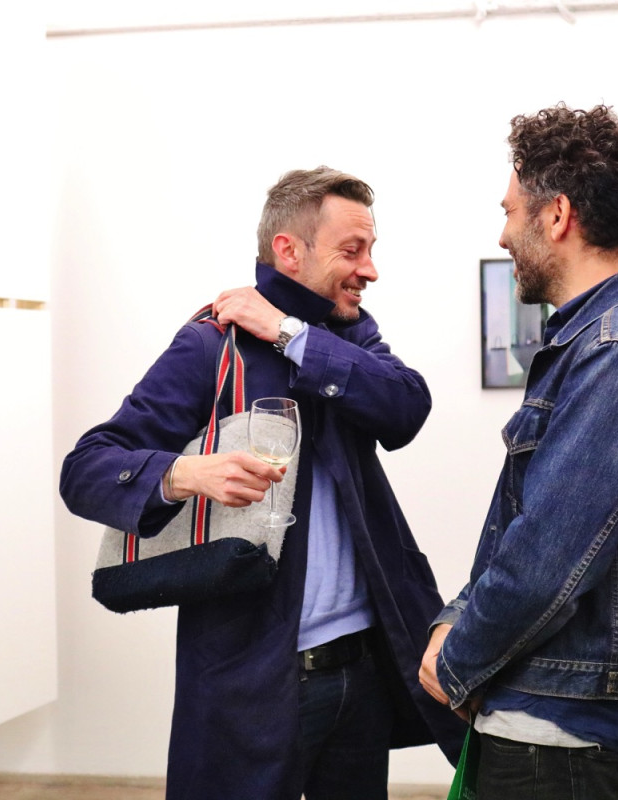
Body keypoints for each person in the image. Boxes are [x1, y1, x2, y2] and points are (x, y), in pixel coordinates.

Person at [61, 166, 465, 799]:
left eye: (371, 250)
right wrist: (185, 473)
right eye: (352, 250)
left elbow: (406, 408)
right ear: (289, 250)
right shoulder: (208, 345)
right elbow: (86, 467)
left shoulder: (349, 332)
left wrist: (289, 333)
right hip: (252, 681)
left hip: (362, 674)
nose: (370, 270)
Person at [419, 104, 618, 799]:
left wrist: (455, 660)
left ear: (556, 215)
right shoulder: (607, 340)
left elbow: (547, 558)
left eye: (509, 210)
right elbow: (526, 528)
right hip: (545, 717)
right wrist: (456, 622)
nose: (502, 232)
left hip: (555, 737)